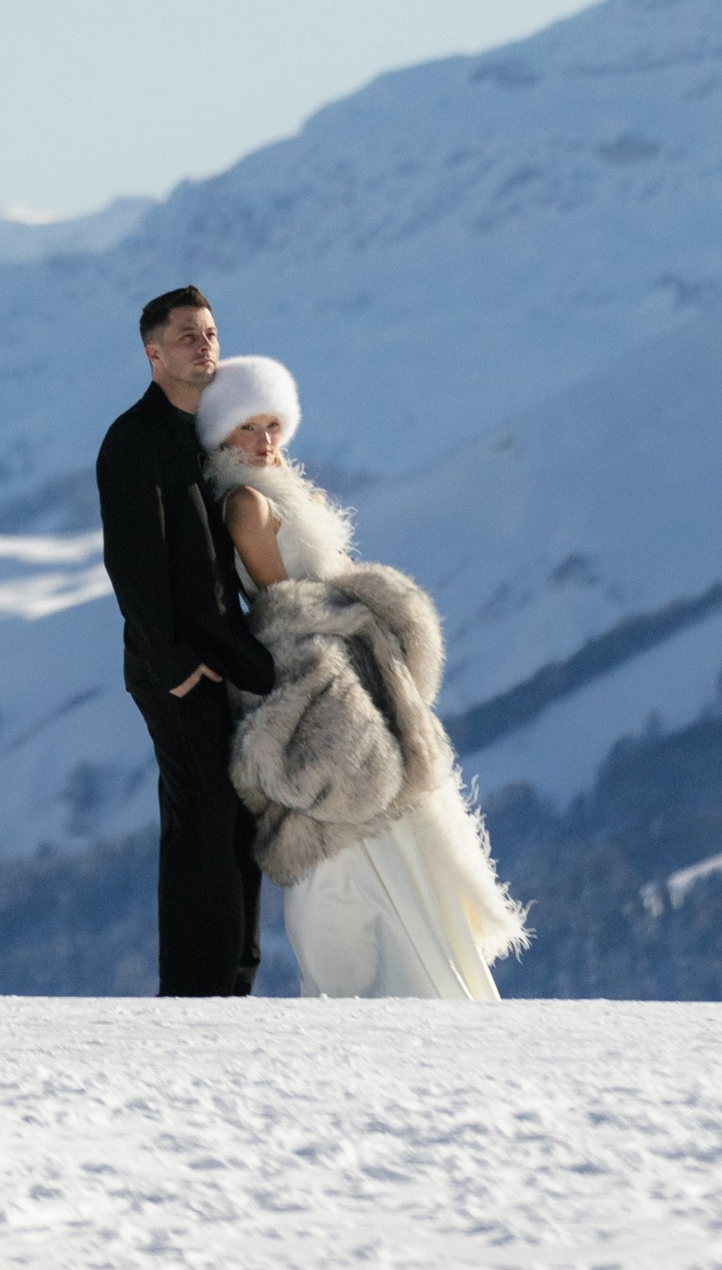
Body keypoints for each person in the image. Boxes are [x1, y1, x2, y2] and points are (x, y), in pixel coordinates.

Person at [193, 351, 527, 1001]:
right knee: (358, 846)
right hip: (321, 677)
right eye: (246, 428)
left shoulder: (276, 491)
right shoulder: (247, 505)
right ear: (219, 436)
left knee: (380, 835)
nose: (263, 441)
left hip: (344, 672)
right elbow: (282, 602)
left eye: (270, 426)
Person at [93, 285, 277, 998]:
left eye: (210, 332)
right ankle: (197, 996)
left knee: (231, 825)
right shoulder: (133, 439)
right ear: (153, 354)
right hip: (177, 669)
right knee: (203, 824)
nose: (204, 344)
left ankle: (233, 982)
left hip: (224, 662)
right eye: (186, 335)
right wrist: (175, 666)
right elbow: (132, 565)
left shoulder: (206, 433)